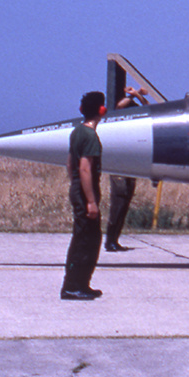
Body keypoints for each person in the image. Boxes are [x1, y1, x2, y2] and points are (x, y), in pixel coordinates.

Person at [62, 91, 106, 300]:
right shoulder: (90, 137)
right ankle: (73, 285)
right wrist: (90, 201)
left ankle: (80, 283)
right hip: (86, 190)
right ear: (101, 110)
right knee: (87, 239)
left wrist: (76, 187)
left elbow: (70, 164)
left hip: (78, 188)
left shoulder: (77, 132)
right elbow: (85, 169)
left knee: (85, 237)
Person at [103, 90, 145, 253]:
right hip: (118, 167)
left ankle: (114, 239)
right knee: (118, 202)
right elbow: (121, 105)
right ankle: (110, 240)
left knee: (125, 201)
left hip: (129, 167)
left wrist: (139, 96)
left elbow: (148, 107)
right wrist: (133, 94)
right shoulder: (118, 120)